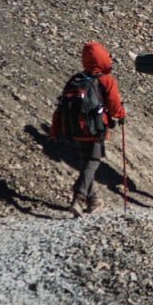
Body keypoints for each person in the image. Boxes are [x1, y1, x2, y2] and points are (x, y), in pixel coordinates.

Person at [52, 42, 126, 215]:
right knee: (92, 163)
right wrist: (124, 111)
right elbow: (115, 110)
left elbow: (61, 106)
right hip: (94, 130)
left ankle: (92, 200)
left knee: (85, 163)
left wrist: (55, 130)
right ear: (103, 59)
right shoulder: (106, 80)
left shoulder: (75, 79)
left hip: (75, 129)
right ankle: (78, 198)